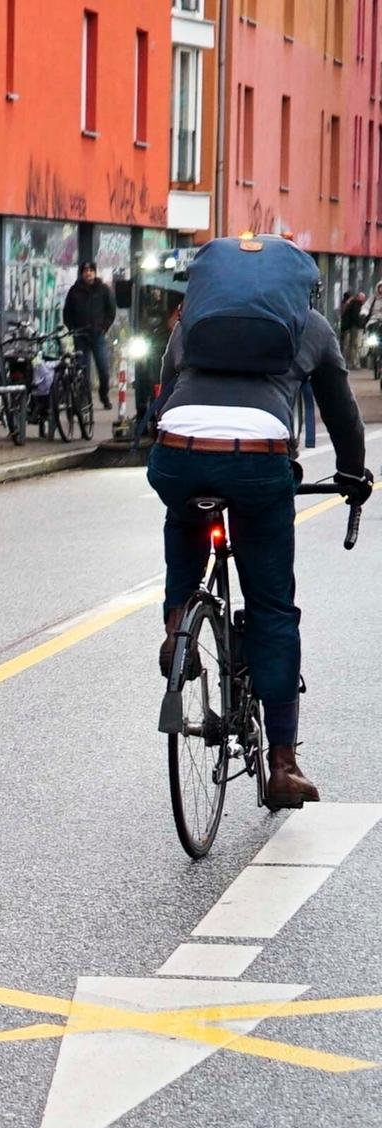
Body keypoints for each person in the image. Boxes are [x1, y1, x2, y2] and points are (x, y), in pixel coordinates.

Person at [149, 235, 373, 809]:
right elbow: (343, 415)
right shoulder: (312, 327)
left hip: (179, 447)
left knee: (185, 510)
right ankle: (282, 764)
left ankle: (178, 623)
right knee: (272, 607)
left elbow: (164, 395)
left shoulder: (192, 322)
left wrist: (170, 435)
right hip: (257, 461)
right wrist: (353, 473)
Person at [64, 261, 117, 408]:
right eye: (85, 270)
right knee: (82, 370)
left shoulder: (103, 290)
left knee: (103, 368)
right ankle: (83, 399)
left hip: (98, 335)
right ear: (81, 273)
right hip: (80, 335)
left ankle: (104, 396)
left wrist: (104, 327)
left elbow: (111, 310)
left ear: (95, 272)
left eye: (91, 270)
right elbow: (67, 312)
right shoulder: (74, 291)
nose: (88, 273)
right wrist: (72, 328)